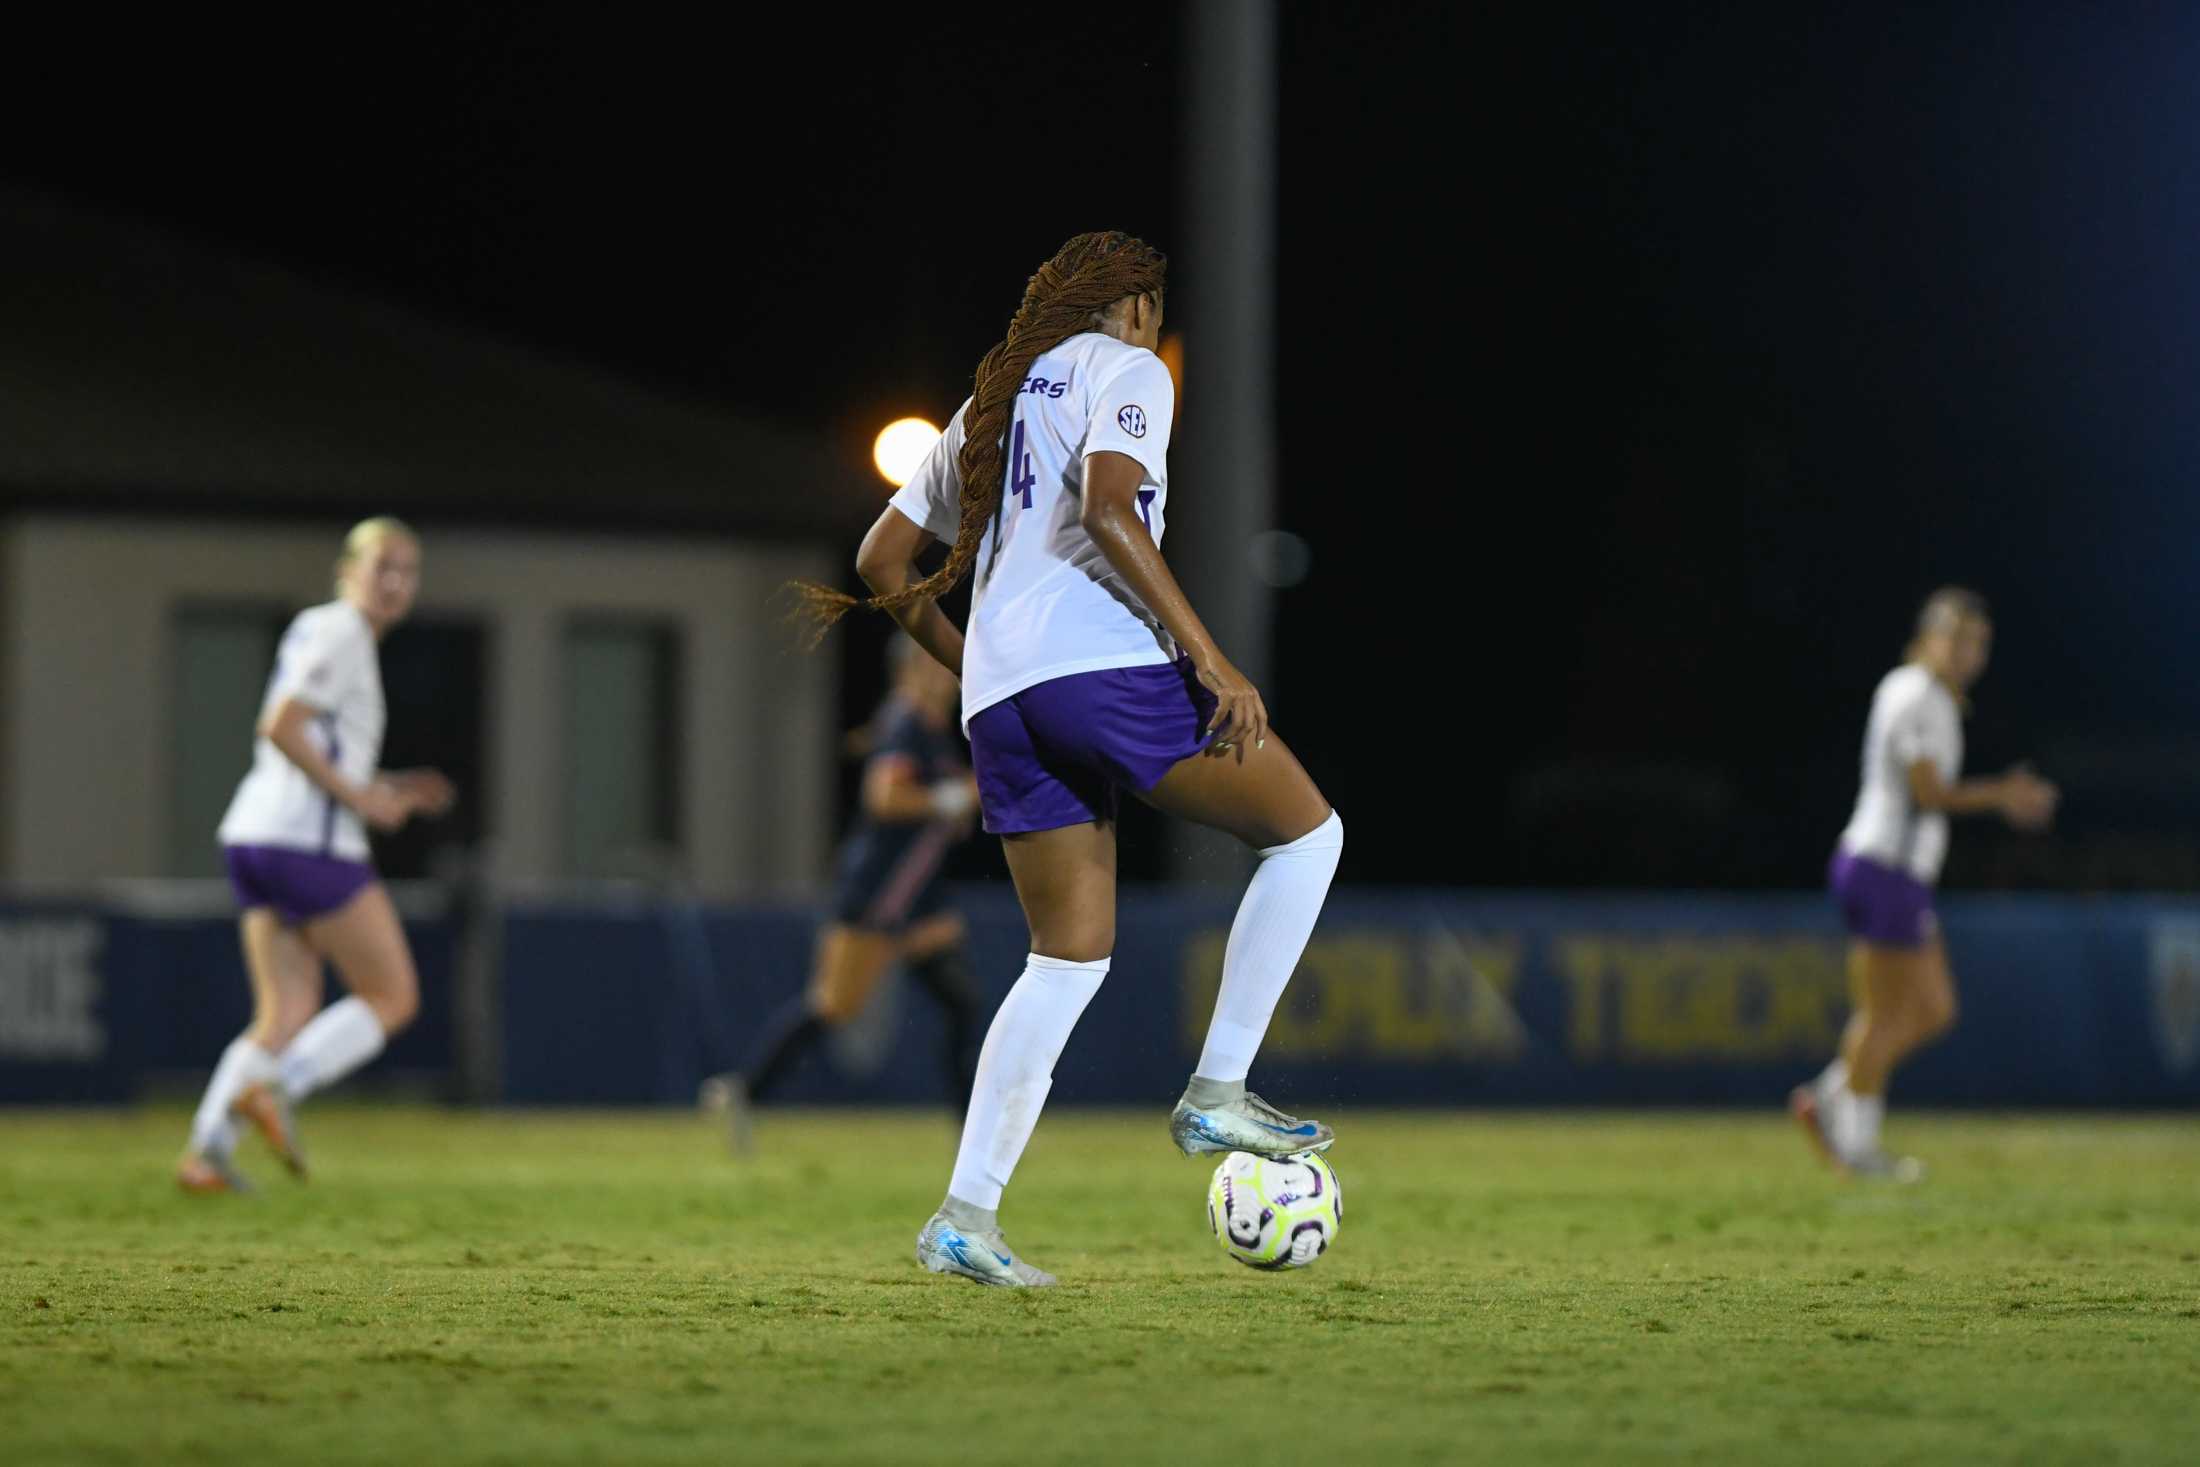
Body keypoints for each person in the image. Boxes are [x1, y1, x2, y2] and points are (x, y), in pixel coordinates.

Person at [793, 230, 1344, 1286]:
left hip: (1006, 702)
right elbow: (1104, 505)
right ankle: (1218, 1087)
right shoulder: (1129, 370)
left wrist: (973, 667)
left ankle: (965, 1218)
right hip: (1103, 672)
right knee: (1309, 835)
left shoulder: (986, 410)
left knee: (1065, 959)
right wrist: (1212, 657)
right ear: (1132, 305)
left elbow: (878, 559)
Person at [175, 517, 455, 1193]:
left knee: (285, 1011)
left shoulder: (320, 628)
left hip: (254, 833)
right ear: (346, 569)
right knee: (392, 995)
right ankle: (280, 1088)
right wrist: (360, 799)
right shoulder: (344, 630)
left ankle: (205, 1151)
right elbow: (281, 726)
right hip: (308, 844)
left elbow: (310, 743)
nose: (393, 582)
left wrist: (384, 788)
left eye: (407, 570)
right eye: (381, 564)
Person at [1791, 587, 2058, 1179]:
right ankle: (1856, 1146)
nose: (1968, 653)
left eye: (1978, 642)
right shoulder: (1917, 694)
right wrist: (2002, 795)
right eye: (1957, 638)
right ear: (1928, 637)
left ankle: (1830, 1097)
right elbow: (1928, 793)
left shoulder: (1923, 693)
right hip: (1883, 866)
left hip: (1889, 871)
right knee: (1886, 1015)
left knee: (1933, 1009)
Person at [698, 635, 983, 1150]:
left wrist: (957, 803)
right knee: (833, 1005)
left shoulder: (935, 732)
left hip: (919, 896)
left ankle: (974, 1132)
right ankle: (743, 1091)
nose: (947, 674)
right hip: (879, 890)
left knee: (961, 1001)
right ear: (906, 672)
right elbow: (885, 798)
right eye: (933, 665)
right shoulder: (906, 722)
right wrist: (952, 796)